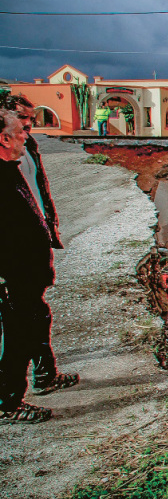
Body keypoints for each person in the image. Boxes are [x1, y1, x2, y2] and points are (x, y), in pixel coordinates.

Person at [4, 95, 78, 395]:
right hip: (13, 255)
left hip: (34, 240)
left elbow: (37, 190)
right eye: (23, 118)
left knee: (36, 312)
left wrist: (47, 224)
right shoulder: (6, 158)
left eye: (32, 119)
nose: (28, 126)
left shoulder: (28, 146)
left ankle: (45, 373)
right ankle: (11, 396)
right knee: (21, 320)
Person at [0, 110, 61, 423]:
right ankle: (7, 402)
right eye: (19, 131)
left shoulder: (10, 170)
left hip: (26, 274)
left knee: (35, 321)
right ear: (4, 139)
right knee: (17, 336)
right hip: (12, 277)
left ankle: (44, 377)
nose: (26, 135)